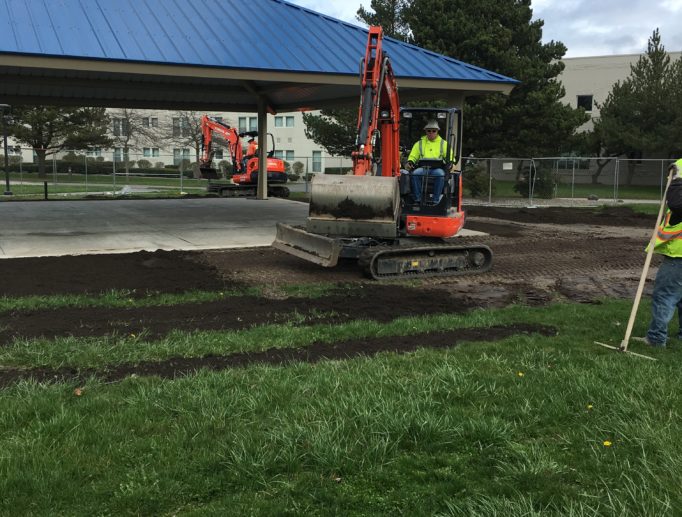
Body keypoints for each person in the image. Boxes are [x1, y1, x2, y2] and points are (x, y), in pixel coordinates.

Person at [644, 158, 682, 347]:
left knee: (665, 295)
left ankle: (656, 338)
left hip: (679, 257)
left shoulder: (678, 189)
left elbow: (676, 204)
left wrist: (676, 181)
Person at [404, 120, 453, 203]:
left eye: (434, 131)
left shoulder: (444, 144)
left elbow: (450, 157)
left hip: (437, 169)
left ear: (437, 131)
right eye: (429, 131)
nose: (431, 133)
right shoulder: (419, 143)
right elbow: (413, 155)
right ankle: (418, 199)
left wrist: (450, 163)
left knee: (440, 175)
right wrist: (411, 162)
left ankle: (436, 200)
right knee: (415, 174)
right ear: (426, 131)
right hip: (423, 168)